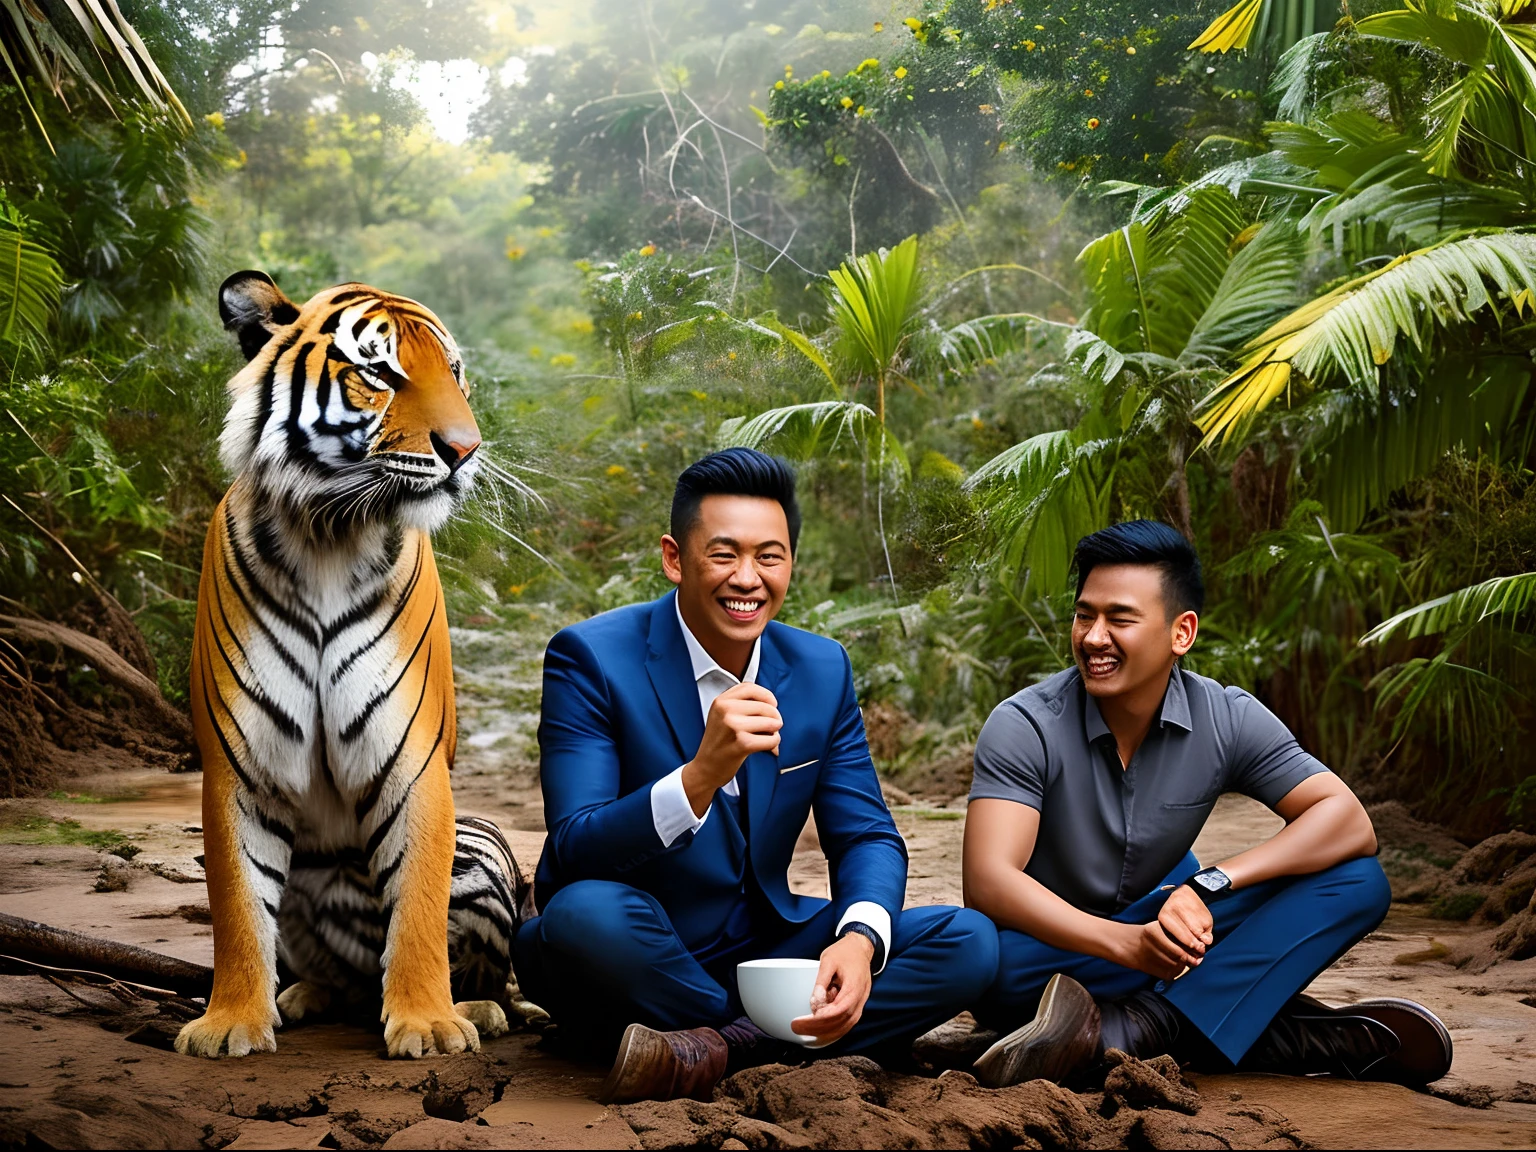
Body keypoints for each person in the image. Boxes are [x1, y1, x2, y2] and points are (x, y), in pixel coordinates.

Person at [515, 447, 999, 1103]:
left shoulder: (821, 668)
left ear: (790, 565)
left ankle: (717, 1047)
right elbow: (573, 845)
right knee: (580, 915)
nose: (748, 577)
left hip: (762, 945)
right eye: (724, 554)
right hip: (637, 947)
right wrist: (699, 776)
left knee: (966, 940)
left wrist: (858, 943)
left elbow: (866, 837)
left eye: (769, 556)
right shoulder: (591, 657)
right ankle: (774, 1037)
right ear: (674, 558)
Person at [961, 520, 1451, 1089]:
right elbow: (989, 882)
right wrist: (1127, 944)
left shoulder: (1227, 716)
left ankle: (1137, 1028)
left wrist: (1207, 887)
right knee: (990, 964)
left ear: (1181, 632)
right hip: (1046, 963)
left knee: (1359, 882)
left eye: (1119, 618)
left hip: (1159, 937)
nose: (1094, 637)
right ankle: (1301, 1038)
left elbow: (1346, 821)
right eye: (1083, 615)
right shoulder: (1025, 725)